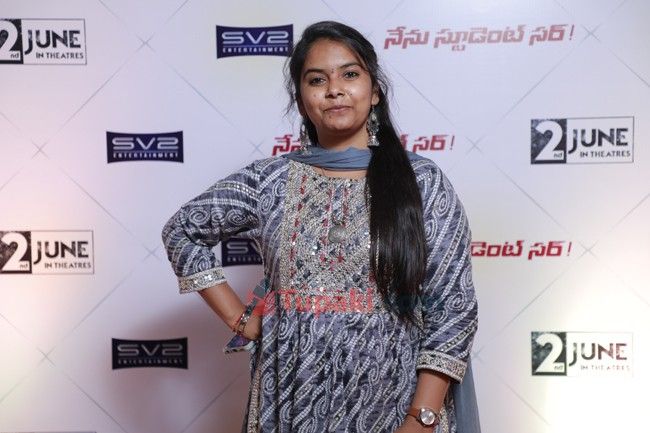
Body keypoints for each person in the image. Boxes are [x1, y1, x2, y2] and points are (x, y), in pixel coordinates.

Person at [162, 21, 479, 433]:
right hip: (290, 402)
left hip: (395, 402)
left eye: (350, 74)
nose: (334, 90)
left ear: (374, 91)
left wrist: (421, 419)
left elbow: (454, 306)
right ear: (301, 100)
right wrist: (241, 319)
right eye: (317, 80)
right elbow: (183, 230)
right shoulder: (270, 181)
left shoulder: (421, 183)